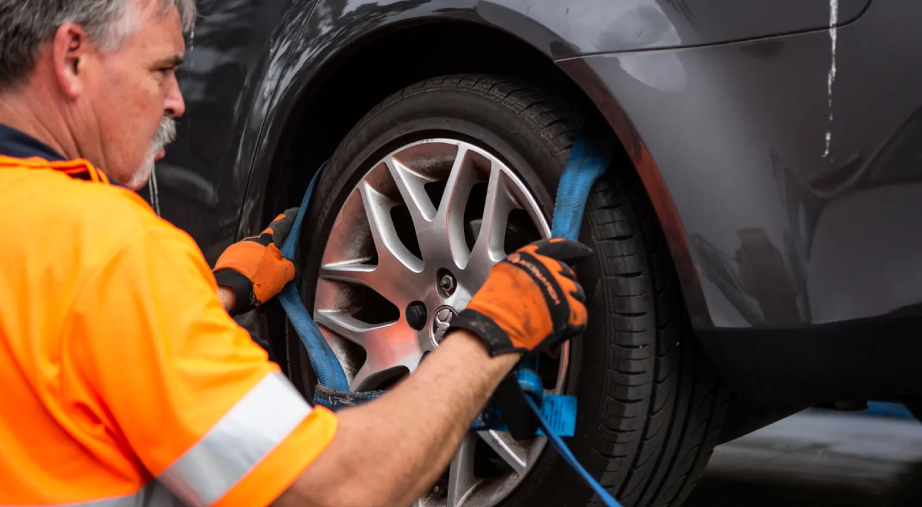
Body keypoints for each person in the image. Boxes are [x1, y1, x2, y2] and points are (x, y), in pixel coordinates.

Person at [0, 1, 590, 507]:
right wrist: (485, 335)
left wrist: (210, 297)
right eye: (162, 70)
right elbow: (335, 490)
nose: (177, 101)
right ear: (73, 57)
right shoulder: (112, 251)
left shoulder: (46, 235)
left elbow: (48, 336)